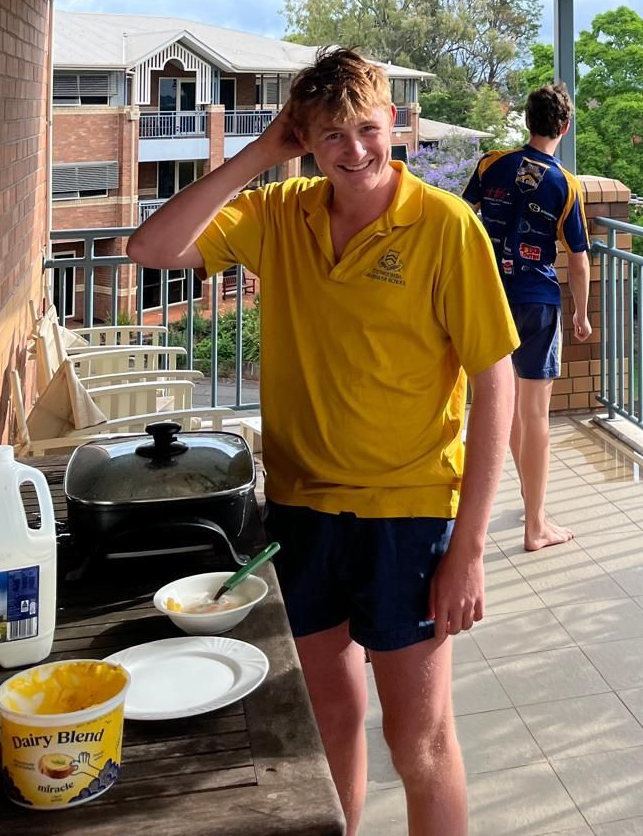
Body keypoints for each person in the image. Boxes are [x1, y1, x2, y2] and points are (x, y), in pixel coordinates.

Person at [126, 49, 519, 836]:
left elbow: (496, 383)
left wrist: (468, 551)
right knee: (326, 723)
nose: (355, 151)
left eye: (368, 129)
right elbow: (152, 249)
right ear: (304, 138)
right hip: (301, 510)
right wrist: (262, 153)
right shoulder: (281, 212)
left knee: (419, 741)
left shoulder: (445, 226)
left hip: (406, 513)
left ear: (393, 124)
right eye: (332, 134)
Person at [463, 81, 592, 551]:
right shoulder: (565, 183)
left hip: (488, 299)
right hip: (537, 302)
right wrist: (581, 315)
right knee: (533, 412)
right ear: (564, 126)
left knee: (503, 403)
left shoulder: (491, 164)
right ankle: (535, 525)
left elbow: (462, 217)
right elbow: (578, 259)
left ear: (527, 120)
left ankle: (528, 497)